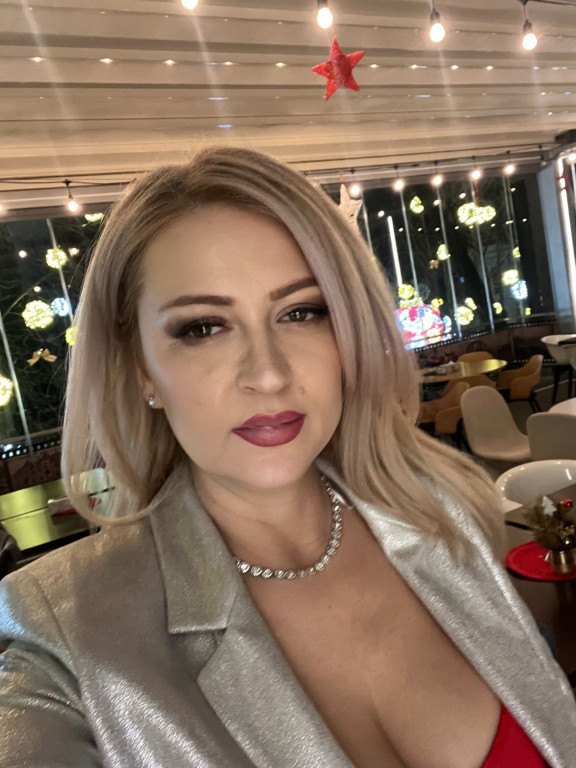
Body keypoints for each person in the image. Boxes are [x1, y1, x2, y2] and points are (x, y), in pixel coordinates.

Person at [0, 146, 574, 768]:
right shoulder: (64, 638)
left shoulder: (440, 513)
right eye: (202, 327)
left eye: (302, 313)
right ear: (140, 366)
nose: (268, 374)